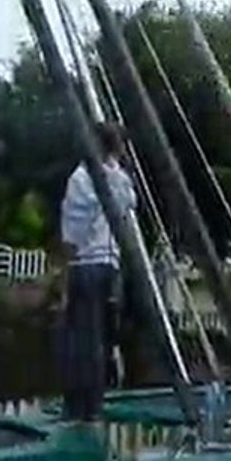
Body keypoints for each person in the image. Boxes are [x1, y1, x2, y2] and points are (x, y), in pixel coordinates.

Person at [59, 122, 136, 423]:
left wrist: (66, 262)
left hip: (86, 261)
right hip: (109, 262)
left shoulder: (82, 178)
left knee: (81, 337)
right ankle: (94, 401)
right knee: (100, 335)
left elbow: (76, 225)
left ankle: (81, 406)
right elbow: (129, 206)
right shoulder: (119, 178)